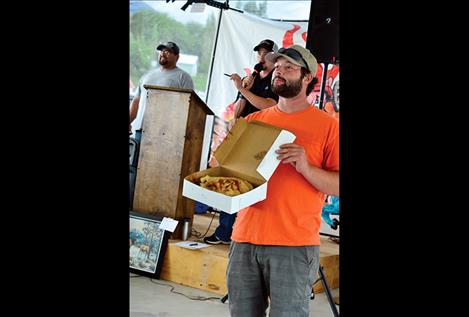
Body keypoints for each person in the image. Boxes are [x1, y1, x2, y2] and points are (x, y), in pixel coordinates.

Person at [226, 45, 339, 317]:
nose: (279, 71)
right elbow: (228, 176)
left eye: (289, 67)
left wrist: (306, 167)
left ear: (308, 77)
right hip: (244, 239)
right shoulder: (253, 121)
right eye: (277, 66)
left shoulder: (329, 127)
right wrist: (224, 157)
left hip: (294, 245)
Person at [203, 39, 279, 245]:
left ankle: (243, 232)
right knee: (230, 179)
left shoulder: (275, 79)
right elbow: (236, 112)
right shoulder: (252, 79)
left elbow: (268, 106)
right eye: (259, 53)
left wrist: (244, 90)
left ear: (274, 57)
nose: (261, 57)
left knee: (249, 185)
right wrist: (243, 90)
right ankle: (225, 231)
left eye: (266, 53)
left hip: (261, 137)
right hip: (242, 132)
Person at [129, 41, 194, 137]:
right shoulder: (147, 75)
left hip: (164, 134)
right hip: (140, 130)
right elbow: (137, 101)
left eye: (167, 52)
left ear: (177, 57)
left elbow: (188, 107)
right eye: (161, 51)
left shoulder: (183, 77)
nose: (163, 54)